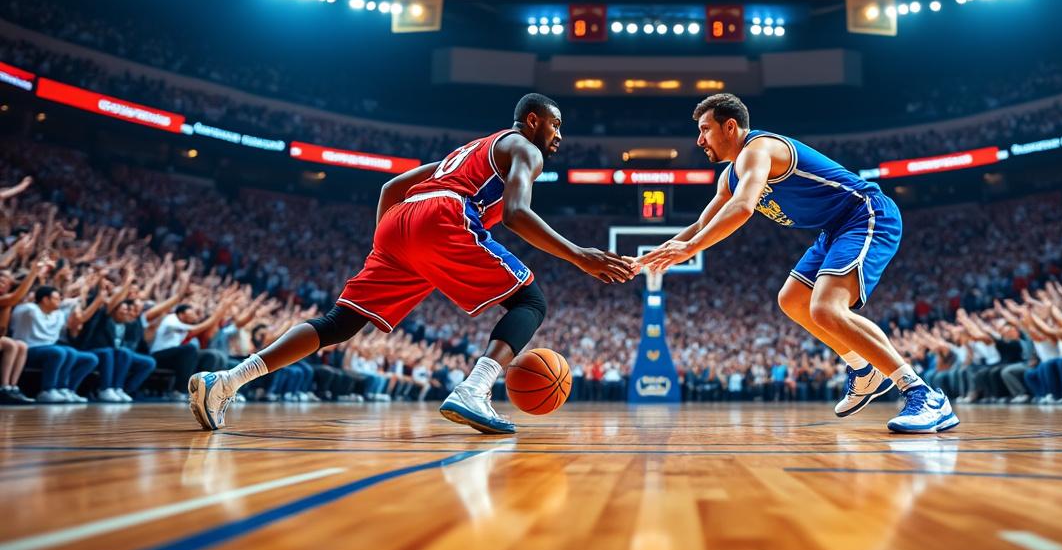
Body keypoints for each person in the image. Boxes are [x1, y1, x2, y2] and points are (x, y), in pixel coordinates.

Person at [190, 94, 637, 433]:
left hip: (402, 222)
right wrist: (580, 256)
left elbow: (390, 189)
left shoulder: (467, 153)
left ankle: (226, 380)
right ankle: (474, 390)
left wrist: (387, 253)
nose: (559, 137)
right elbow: (517, 214)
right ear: (533, 120)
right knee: (531, 302)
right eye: (556, 126)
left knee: (340, 323)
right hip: (442, 216)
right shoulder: (526, 148)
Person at [639, 93, 957, 433]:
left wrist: (691, 250)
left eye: (705, 129)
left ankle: (923, 394)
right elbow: (701, 225)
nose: (699, 140)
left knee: (827, 308)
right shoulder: (730, 176)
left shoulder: (760, 150)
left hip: (865, 213)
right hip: (834, 229)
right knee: (792, 300)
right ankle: (864, 371)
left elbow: (743, 209)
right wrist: (655, 254)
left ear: (730, 127)